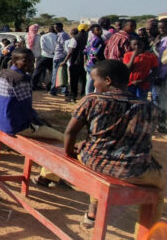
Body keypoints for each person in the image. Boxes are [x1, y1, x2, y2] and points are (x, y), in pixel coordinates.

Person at [63, 60, 165, 234]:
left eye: (95, 80)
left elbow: (70, 132)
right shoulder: (148, 107)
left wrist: (70, 153)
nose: (94, 84)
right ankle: (149, 234)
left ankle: (92, 213)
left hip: (94, 160)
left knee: (100, 171)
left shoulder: (92, 100)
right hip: (135, 170)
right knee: (160, 186)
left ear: (108, 81)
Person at [0, 48, 65, 186]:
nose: (30, 64)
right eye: (26, 61)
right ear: (14, 61)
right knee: (62, 139)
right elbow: (27, 109)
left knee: (48, 130)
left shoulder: (2, 73)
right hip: (16, 126)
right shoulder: (21, 80)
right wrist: (41, 122)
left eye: (32, 61)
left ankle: (49, 175)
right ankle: (48, 176)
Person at [63, 25, 88, 102]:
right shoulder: (89, 38)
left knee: (74, 80)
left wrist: (65, 61)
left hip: (75, 62)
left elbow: (71, 51)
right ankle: (84, 95)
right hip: (85, 62)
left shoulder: (75, 38)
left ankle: (73, 97)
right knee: (84, 80)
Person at [84, 24, 105, 95]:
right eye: (97, 30)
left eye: (100, 29)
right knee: (94, 82)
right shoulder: (98, 40)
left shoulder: (91, 39)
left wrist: (85, 62)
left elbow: (85, 51)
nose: (100, 31)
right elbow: (95, 53)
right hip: (94, 64)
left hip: (88, 63)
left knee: (89, 81)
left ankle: (88, 96)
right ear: (93, 32)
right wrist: (101, 63)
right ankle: (90, 97)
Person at [50, 23, 71, 96]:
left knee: (56, 74)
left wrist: (65, 56)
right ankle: (63, 91)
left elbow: (65, 46)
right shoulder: (61, 34)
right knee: (62, 73)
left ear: (61, 27)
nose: (55, 29)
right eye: (54, 27)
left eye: (56, 27)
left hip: (60, 56)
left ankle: (54, 90)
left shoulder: (62, 35)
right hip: (59, 55)